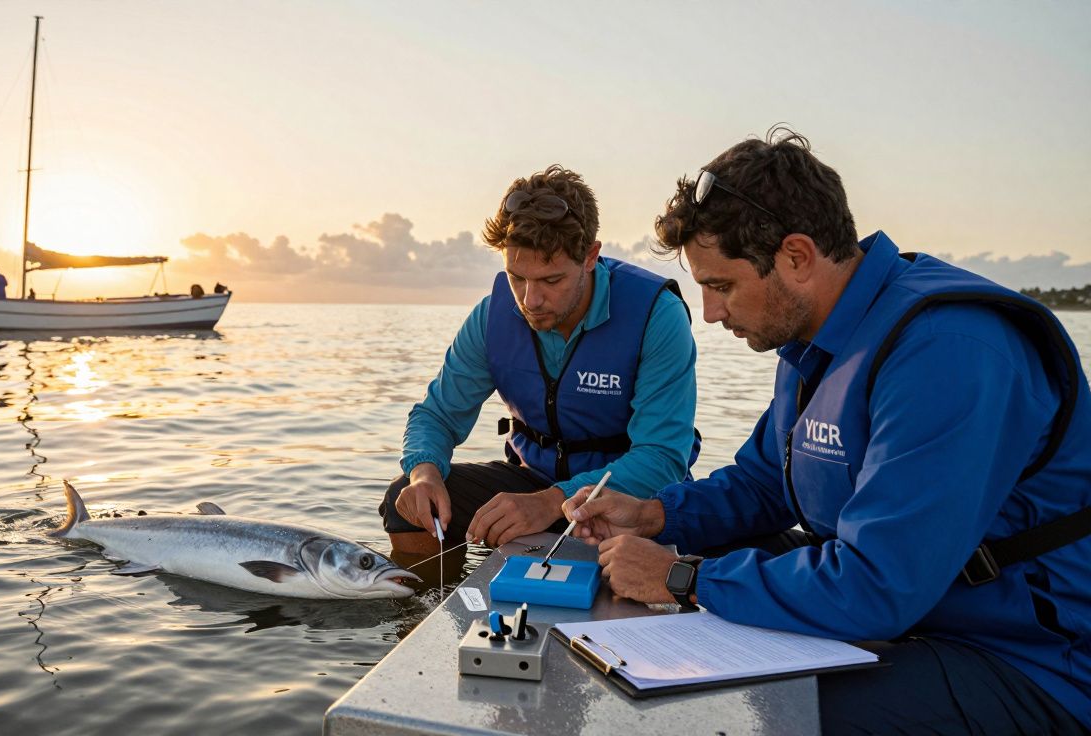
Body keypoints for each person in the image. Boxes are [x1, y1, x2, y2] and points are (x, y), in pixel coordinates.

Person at [563, 128, 1091, 733]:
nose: (709, 313)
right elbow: (763, 486)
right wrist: (653, 516)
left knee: (751, 712)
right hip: (923, 610)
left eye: (722, 286)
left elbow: (878, 585)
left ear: (796, 256)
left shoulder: (948, 352)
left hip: (1031, 659)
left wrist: (681, 577)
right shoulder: (813, 340)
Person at [379, 164, 699, 557]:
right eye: (516, 277)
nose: (530, 300)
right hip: (532, 484)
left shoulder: (657, 315)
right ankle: (435, 596)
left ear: (590, 256)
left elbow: (662, 459)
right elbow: (437, 415)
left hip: (628, 501)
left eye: (551, 280)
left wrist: (552, 502)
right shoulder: (490, 317)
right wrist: (424, 471)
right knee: (407, 501)